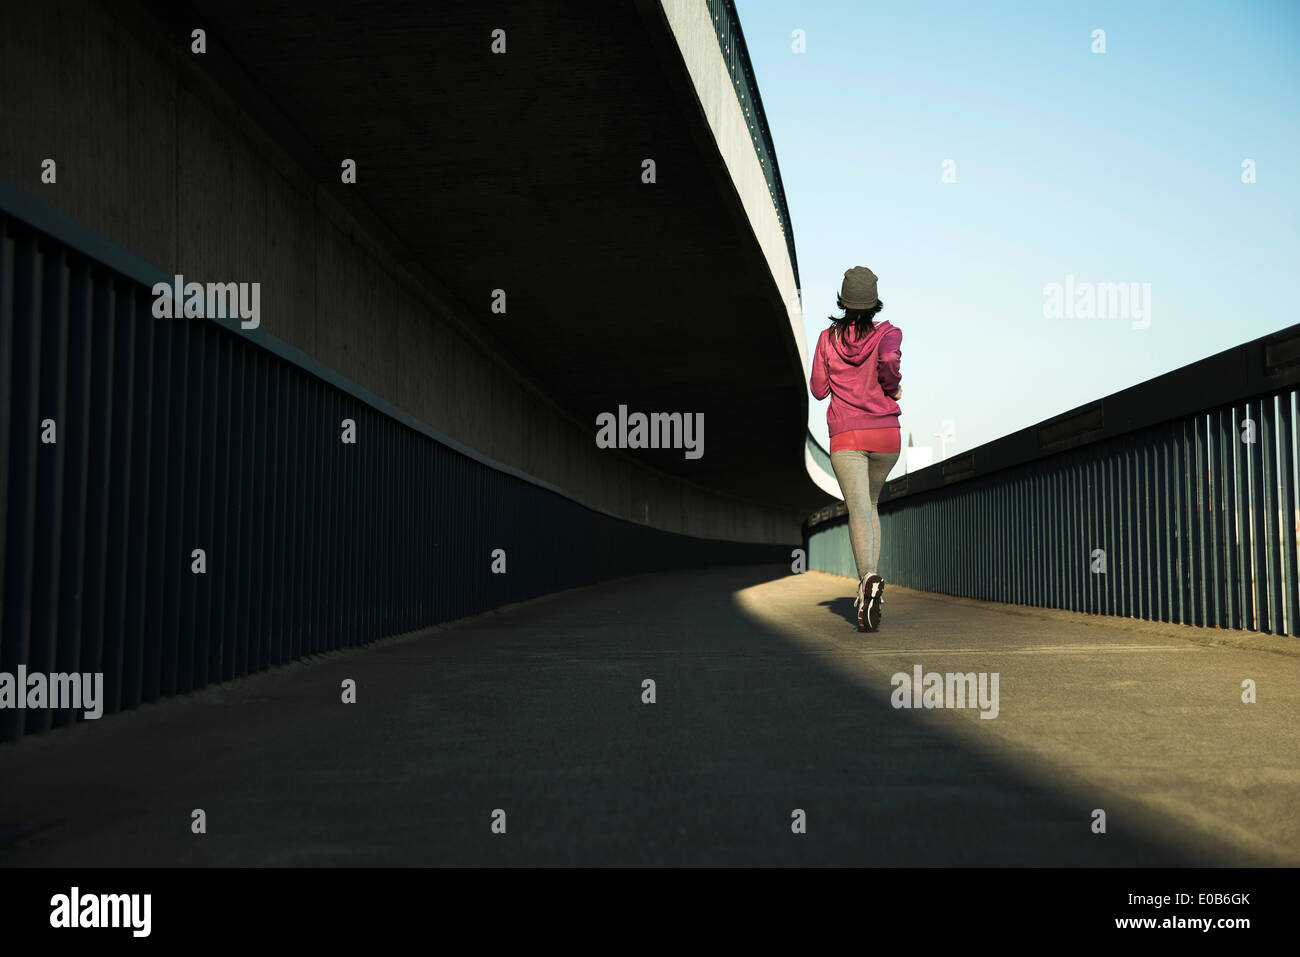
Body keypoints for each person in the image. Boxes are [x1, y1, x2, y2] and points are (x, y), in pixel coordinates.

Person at [809, 266, 902, 632]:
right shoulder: (888, 334)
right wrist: (891, 387)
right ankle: (871, 583)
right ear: (873, 302)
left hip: (847, 437)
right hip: (886, 437)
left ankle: (867, 580)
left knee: (858, 509)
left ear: (843, 301)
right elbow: (890, 365)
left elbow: (818, 390)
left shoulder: (827, 338)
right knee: (872, 506)